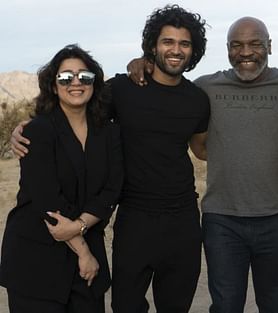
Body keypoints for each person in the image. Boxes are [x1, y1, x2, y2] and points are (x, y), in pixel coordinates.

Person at [127, 17, 278, 313]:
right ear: (228, 49)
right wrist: (143, 62)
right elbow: (180, 109)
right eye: (237, 45)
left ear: (268, 46)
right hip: (222, 220)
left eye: (255, 44)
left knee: (274, 304)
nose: (246, 52)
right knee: (226, 305)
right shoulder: (206, 88)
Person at [9, 5, 210, 313]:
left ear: (193, 50)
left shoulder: (198, 100)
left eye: (184, 43)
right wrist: (23, 128)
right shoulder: (121, 89)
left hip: (182, 219)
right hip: (134, 219)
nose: (175, 49)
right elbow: (71, 103)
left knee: (176, 306)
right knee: (126, 306)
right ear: (153, 45)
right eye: (167, 41)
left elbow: (201, 149)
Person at [0, 44, 123, 313]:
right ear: (54, 87)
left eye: (84, 76)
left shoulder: (109, 133)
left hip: (86, 256)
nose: (76, 82)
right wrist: (83, 252)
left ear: (94, 83)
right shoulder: (37, 131)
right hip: (36, 256)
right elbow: (47, 198)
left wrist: (78, 226)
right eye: (66, 77)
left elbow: (112, 189)